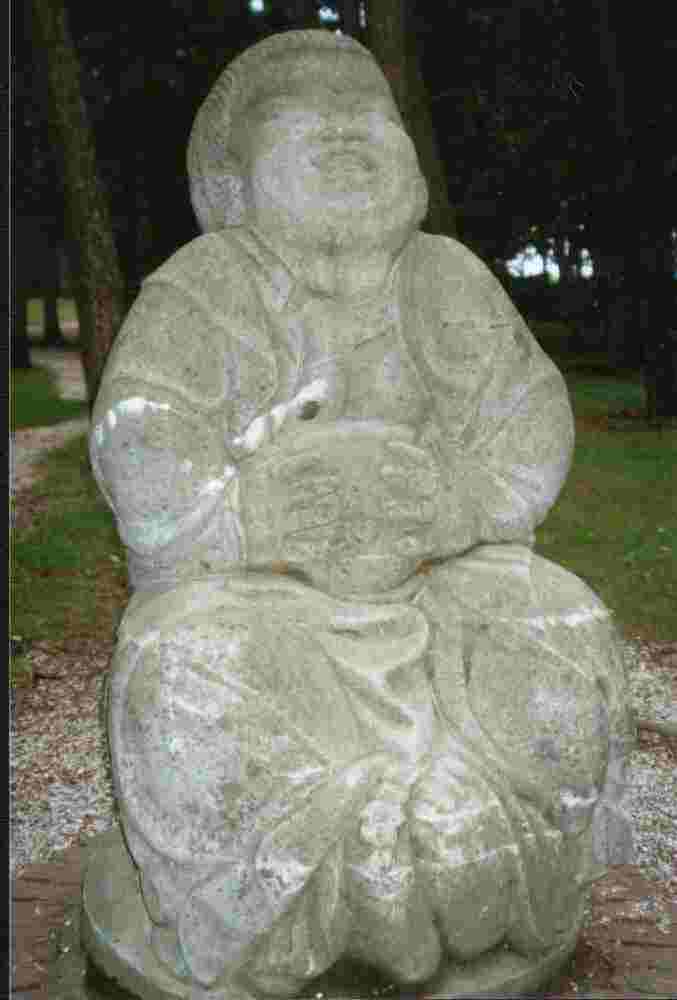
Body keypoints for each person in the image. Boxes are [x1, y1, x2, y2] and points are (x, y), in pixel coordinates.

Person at [89, 29, 632, 998]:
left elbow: (526, 413)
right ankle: (328, 883)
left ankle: (490, 850)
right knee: (184, 670)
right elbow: (140, 432)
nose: (344, 132)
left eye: (368, 116)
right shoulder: (203, 288)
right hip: (256, 593)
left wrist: (462, 501)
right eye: (304, 117)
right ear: (235, 178)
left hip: (440, 576)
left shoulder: (444, 279)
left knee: (558, 625)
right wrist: (246, 513)